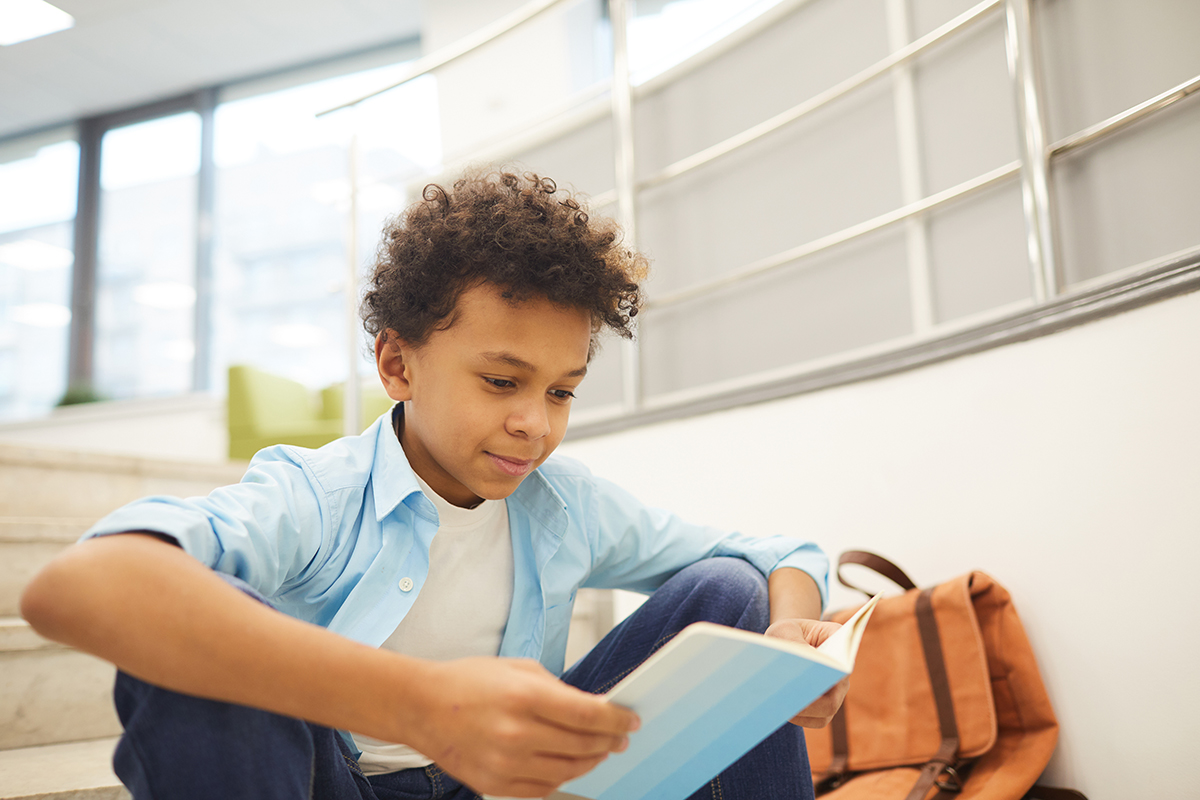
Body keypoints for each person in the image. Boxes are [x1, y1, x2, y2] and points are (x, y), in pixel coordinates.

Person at [21, 169, 844, 800]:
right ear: (397, 363)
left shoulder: (567, 505)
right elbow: (81, 585)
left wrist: (788, 637)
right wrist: (421, 707)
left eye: (561, 391)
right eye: (500, 382)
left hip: (506, 786)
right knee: (199, 629)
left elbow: (779, 554)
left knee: (731, 590)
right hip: (337, 782)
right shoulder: (317, 493)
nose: (536, 423)